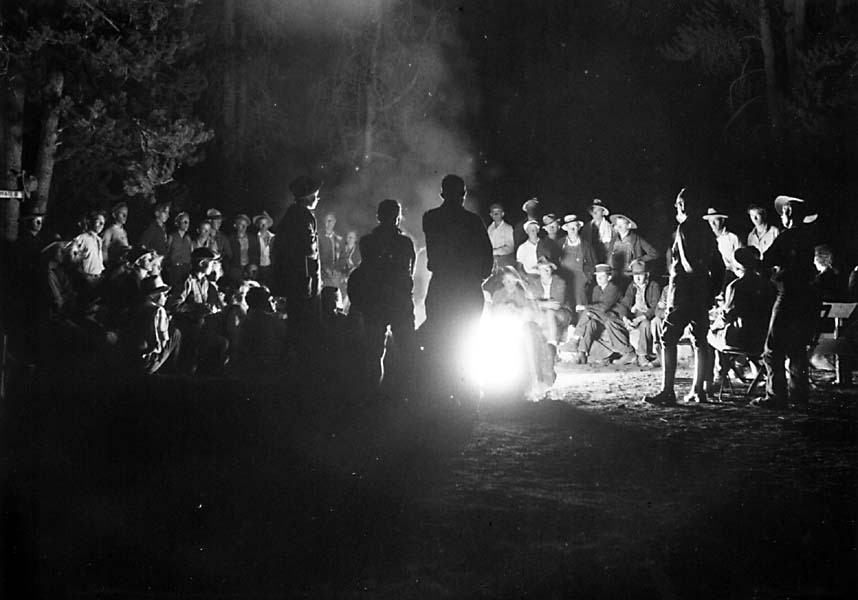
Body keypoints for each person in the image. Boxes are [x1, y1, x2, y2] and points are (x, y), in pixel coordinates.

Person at [645, 188, 725, 405]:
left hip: (683, 293)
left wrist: (691, 287)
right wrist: (711, 291)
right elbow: (718, 265)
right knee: (700, 340)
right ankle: (698, 391)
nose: (676, 207)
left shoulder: (685, 227)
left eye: (678, 203)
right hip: (701, 294)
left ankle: (667, 391)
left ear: (683, 205)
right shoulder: (707, 230)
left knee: (667, 338)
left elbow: (689, 264)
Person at [753, 195, 819, 409]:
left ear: (788, 214)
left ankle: (776, 396)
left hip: (787, 294)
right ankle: (799, 395)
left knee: (772, 348)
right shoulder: (808, 237)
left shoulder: (787, 236)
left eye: (784, 212)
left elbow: (767, 260)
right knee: (797, 347)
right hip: (804, 297)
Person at [353, 199, 417, 395]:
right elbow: (410, 272)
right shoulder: (405, 243)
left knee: (374, 353)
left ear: (378, 217)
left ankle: (372, 395)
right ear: (398, 218)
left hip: (375, 303)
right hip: (399, 303)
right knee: (408, 351)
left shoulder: (366, 242)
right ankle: (408, 395)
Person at [707, 246, 775, 385]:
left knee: (709, 335)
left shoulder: (735, 286)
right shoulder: (768, 285)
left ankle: (719, 375)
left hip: (742, 339)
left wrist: (715, 325)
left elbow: (727, 317)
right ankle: (755, 369)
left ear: (737, 266)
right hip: (765, 338)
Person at [272, 175, 322, 324]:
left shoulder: (291, 215)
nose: (318, 199)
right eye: (316, 196)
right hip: (303, 284)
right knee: (305, 322)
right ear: (309, 197)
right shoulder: (304, 217)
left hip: (295, 283)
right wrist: (309, 286)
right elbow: (308, 253)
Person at [569, 263, 637, 366]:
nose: (599, 279)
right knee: (591, 323)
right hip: (602, 316)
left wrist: (585, 307)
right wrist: (590, 309)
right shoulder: (596, 289)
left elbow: (604, 307)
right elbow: (597, 307)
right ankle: (582, 353)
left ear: (609, 277)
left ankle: (575, 339)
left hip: (614, 317)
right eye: (597, 276)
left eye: (602, 276)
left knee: (588, 312)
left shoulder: (613, 288)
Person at [123, 275, 181, 374]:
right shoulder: (158, 310)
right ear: (153, 295)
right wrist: (166, 323)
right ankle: (169, 372)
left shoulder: (137, 306)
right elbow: (162, 342)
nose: (166, 297)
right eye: (163, 293)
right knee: (176, 333)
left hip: (132, 359)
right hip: (148, 363)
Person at [620, 260, 662, 367]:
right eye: (635, 275)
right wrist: (625, 318)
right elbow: (624, 304)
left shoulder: (654, 286)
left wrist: (642, 318)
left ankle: (642, 355)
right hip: (635, 315)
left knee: (646, 324)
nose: (638, 278)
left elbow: (655, 307)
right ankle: (628, 353)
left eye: (641, 275)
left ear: (647, 275)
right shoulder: (632, 286)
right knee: (614, 322)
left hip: (647, 315)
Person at [608, 213, 659, 292]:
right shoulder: (613, 240)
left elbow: (654, 253)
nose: (619, 226)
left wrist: (639, 260)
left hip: (631, 277)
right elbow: (609, 258)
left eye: (622, 224)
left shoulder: (637, 239)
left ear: (629, 225)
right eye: (617, 224)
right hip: (615, 277)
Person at [528, 256, 572, 346]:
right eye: (542, 268)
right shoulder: (534, 284)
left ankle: (553, 344)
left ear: (551, 269)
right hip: (541, 313)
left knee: (550, 313)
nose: (546, 271)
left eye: (548, 268)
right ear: (538, 271)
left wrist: (538, 303)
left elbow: (556, 305)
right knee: (527, 312)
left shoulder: (560, 282)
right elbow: (528, 302)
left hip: (561, 313)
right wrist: (544, 303)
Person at [557, 214, 596, 311]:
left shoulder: (586, 245)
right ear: (566, 228)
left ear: (578, 227)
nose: (572, 229)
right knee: (565, 304)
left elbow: (593, 263)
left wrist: (587, 277)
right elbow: (554, 262)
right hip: (564, 278)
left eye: (574, 227)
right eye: (570, 227)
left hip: (580, 280)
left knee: (580, 306)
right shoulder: (560, 244)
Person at [703, 207, 743, 283]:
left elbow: (741, 262)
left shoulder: (733, 238)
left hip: (731, 276)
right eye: (710, 220)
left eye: (715, 220)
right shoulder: (707, 239)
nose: (712, 223)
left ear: (722, 220)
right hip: (712, 277)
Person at [70, 210, 107, 286]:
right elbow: (72, 259)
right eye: (98, 222)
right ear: (90, 222)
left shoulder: (99, 240)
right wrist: (84, 275)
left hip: (98, 278)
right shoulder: (82, 238)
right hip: (87, 279)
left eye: (103, 223)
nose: (101, 225)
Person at [580, 198, 614, 264]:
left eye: (598, 210)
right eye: (593, 210)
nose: (595, 212)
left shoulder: (610, 228)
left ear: (603, 212)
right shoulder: (586, 228)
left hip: (605, 259)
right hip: (590, 260)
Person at [165, 211, 193, 289]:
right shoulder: (172, 237)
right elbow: (167, 251)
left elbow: (191, 252)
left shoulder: (188, 238)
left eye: (188, 222)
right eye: (184, 222)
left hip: (186, 269)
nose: (187, 224)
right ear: (178, 223)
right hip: (175, 269)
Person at [227, 214, 254, 283]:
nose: (244, 226)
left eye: (245, 224)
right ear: (235, 225)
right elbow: (228, 256)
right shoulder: (231, 239)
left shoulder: (252, 238)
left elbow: (255, 253)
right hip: (235, 269)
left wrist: (253, 265)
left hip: (249, 268)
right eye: (241, 224)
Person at [487, 203, 515, 269]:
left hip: (505, 260)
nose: (496, 214)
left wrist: (494, 251)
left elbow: (510, 248)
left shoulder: (508, 228)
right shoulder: (489, 229)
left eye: (498, 212)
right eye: (494, 212)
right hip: (491, 260)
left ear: (502, 214)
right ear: (491, 215)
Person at [320, 211, 344, 288]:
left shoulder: (339, 239)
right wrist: (326, 270)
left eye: (330, 221)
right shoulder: (319, 237)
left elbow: (343, 257)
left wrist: (338, 270)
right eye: (326, 221)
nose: (328, 223)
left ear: (334, 222)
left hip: (336, 275)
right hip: (324, 275)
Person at [252, 211, 275, 283]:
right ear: (258, 225)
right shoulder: (254, 238)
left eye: (265, 224)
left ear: (268, 225)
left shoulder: (274, 238)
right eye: (261, 223)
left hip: (271, 268)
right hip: (258, 268)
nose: (263, 226)